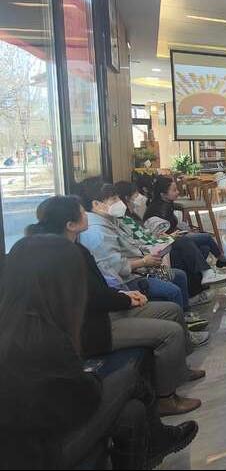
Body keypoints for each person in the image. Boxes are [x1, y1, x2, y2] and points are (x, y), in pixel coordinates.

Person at [0, 235, 198, 469]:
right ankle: (159, 436)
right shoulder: (42, 336)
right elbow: (85, 398)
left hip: (32, 438)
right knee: (130, 379)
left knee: (131, 412)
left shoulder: (16, 321)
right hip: (40, 453)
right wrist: (93, 377)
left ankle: (157, 441)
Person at [27, 195, 206, 415]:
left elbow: (97, 289)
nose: (87, 215)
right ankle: (165, 398)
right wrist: (126, 299)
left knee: (172, 310)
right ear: (70, 225)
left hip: (103, 311)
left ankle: (180, 370)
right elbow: (92, 297)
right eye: (82, 213)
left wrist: (124, 295)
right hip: (92, 328)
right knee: (170, 332)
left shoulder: (74, 247)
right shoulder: (65, 255)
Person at [76, 178, 207, 330]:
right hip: (127, 280)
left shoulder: (111, 220)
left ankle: (186, 317)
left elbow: (134, 243)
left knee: (180, 273)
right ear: (96, 204)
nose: (119, 202)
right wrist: (145, 261)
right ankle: (183, 329)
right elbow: (116, 267)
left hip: (139, 267)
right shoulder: (97, 232)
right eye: (114, 199)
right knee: (173, 290)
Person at [115, 181, 226, 298]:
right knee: (189, 240)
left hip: (155, 246)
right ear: (126, 198)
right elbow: (142, 244)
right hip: (151, 253)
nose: (140, 198)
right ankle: (210, 269)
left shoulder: (130, 217)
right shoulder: (124, 221)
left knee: (203, 247)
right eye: (136, 195)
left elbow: (145, 237)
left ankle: (198, 285)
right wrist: (168, 238)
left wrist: (167, 237)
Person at [143, 175, 226, 269]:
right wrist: (183, 234)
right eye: (174, 190)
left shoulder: (165, 203)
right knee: (207, 237)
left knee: (205, 247)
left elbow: (172, 227)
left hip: (174, 238)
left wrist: (186, 232)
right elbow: (163, 236)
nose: (178, 192)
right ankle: (220, 260)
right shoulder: (161, 210)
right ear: (163, 194)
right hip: (168, 244)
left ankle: (198, 272)